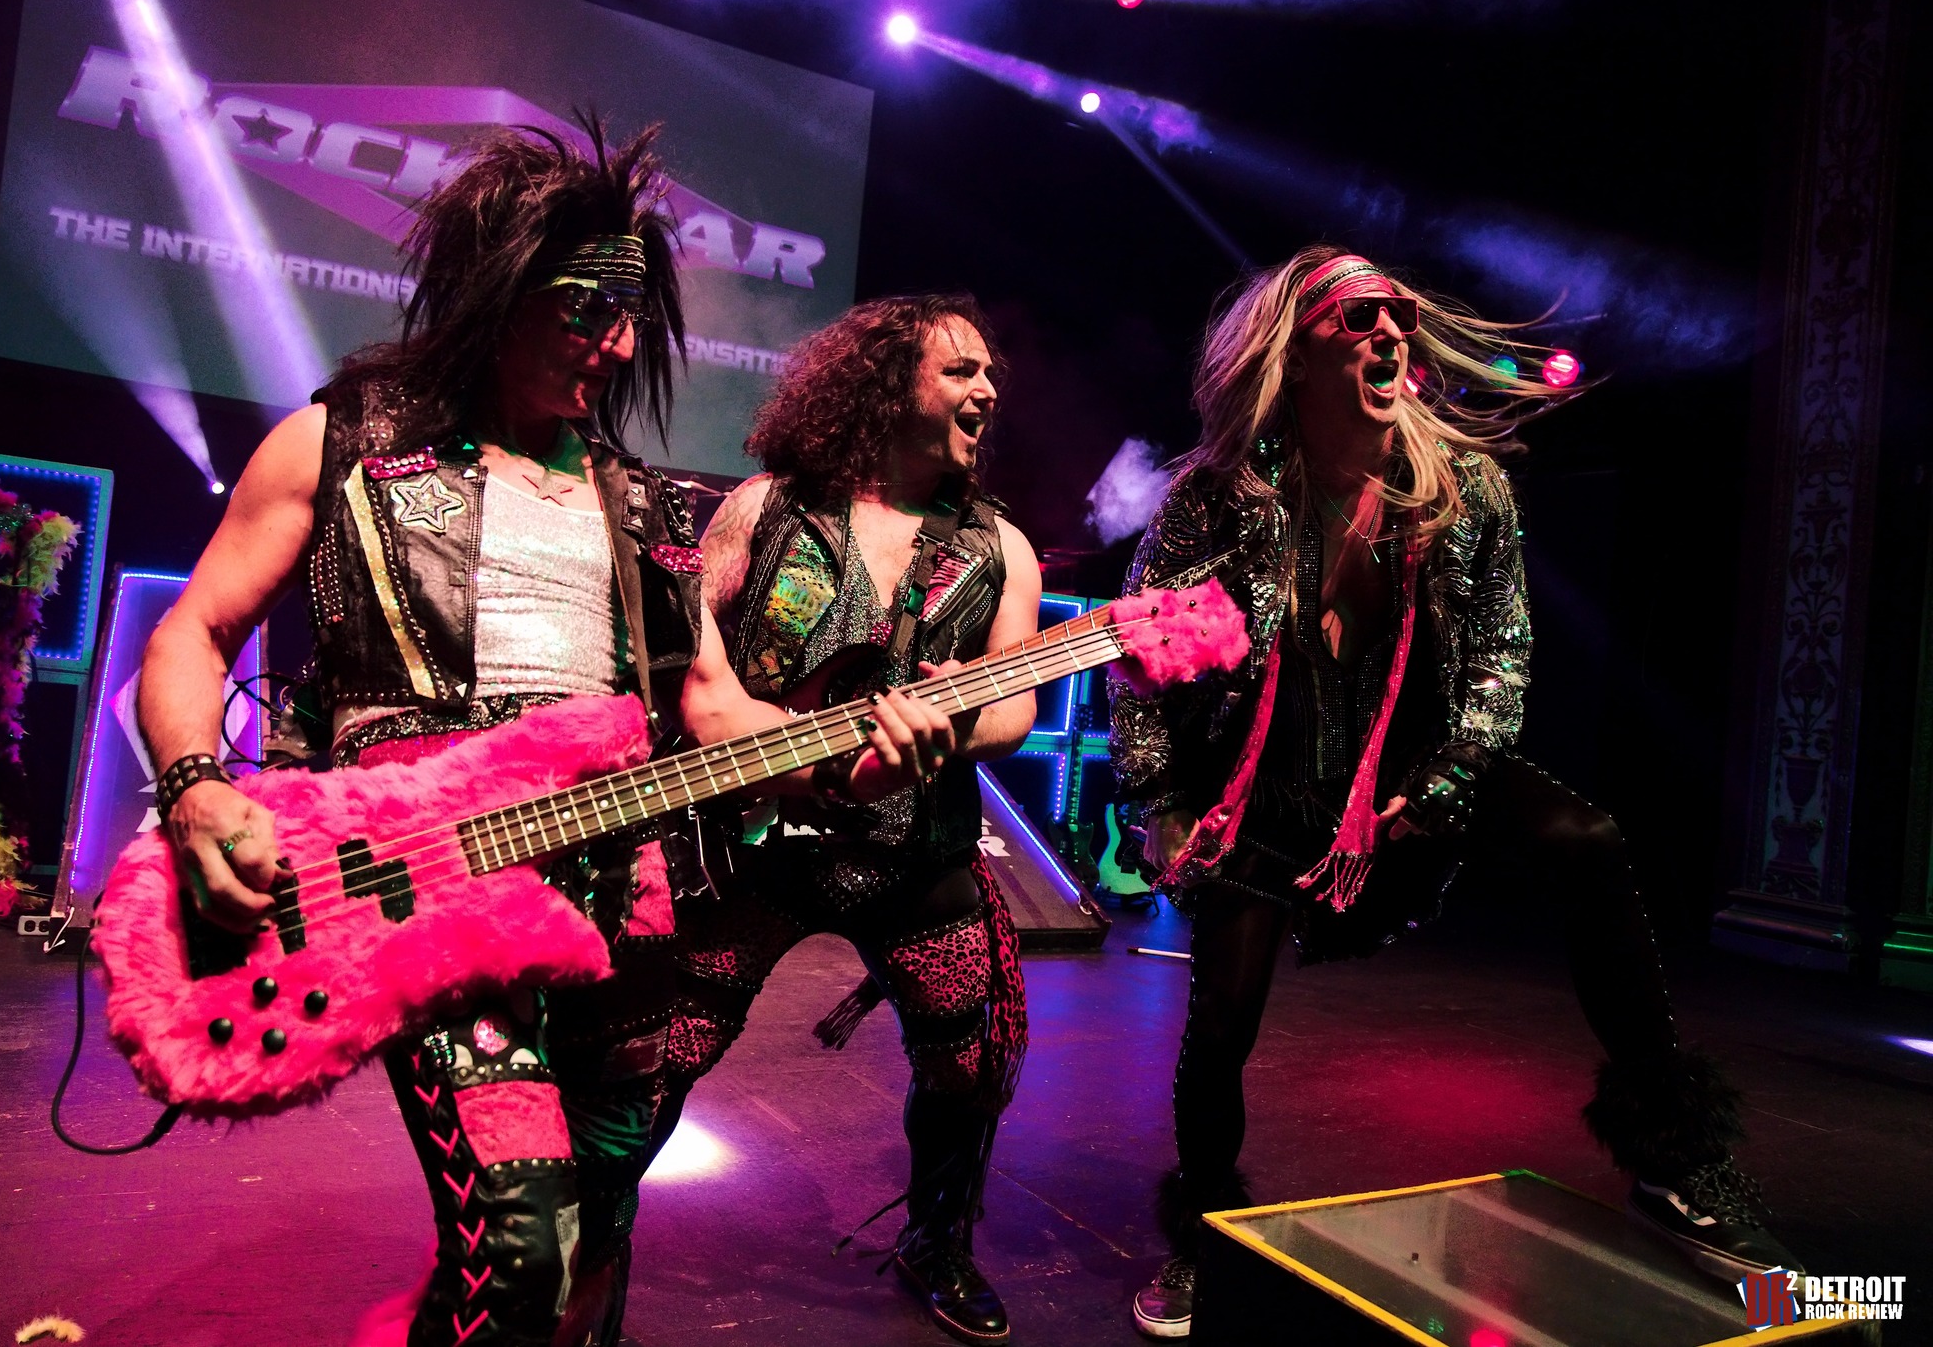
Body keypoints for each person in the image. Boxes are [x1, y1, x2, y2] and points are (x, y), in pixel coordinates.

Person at [134, 123, 948, 1347]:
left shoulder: (640, 505)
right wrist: (197, 786)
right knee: (522, 1245)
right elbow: (194, 632)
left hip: (620, 906)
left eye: (630, 317)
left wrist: (850, 753)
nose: (616, 344)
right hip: (434, 898)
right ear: (495, 287)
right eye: (586, 309)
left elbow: (713, 707)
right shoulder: (344, 446)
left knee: (597, 1235)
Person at [1110, 247, 1799, 1339]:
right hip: (1267, 784)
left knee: (1585, 837)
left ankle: (1675, 1157)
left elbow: (1499, 656)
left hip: (1410, 775)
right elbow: (1138, 657)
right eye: (1357, 319)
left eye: (1398, 314)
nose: (1390, 332)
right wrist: (1158, 801)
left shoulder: (1463, 488)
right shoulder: (1219, 498)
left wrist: (1451, 774)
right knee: (1223, 1009)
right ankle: (1199, 1234)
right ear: (1295, 356)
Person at [653, 293, 1043, 1345]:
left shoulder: (1001, 546)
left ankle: (936, 1241)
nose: (987, 388)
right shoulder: (766, 507)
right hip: (754, 839)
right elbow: (692, 659)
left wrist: (956, 724)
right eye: (959, 370)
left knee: (970, 1061)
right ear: (885, 384)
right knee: (664, 1048)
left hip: (915, 849)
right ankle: (592, 1247)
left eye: (989, 373)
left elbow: (1014, 704)